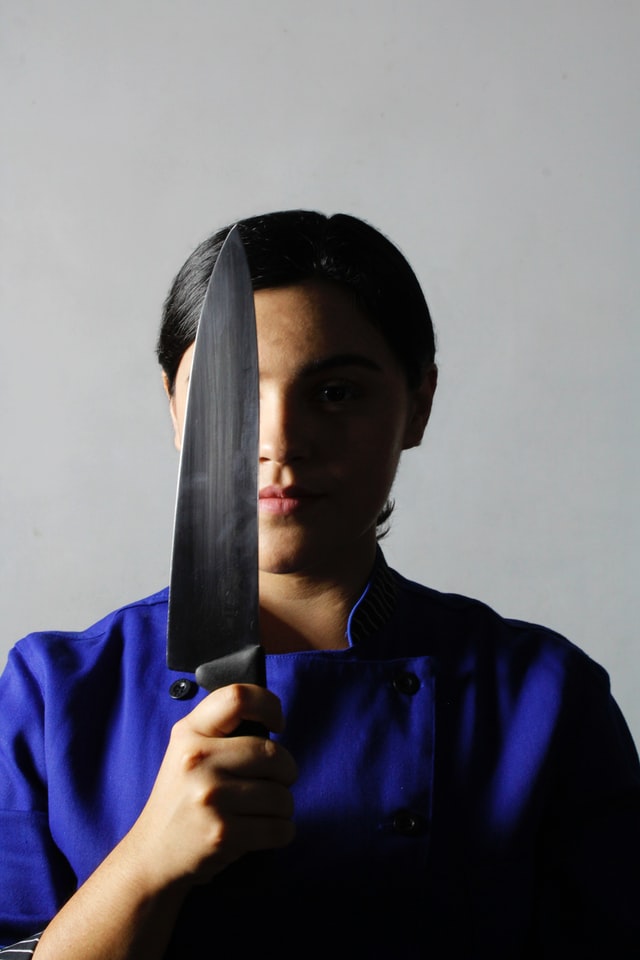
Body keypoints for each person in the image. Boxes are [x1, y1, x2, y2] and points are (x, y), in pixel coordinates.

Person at [0, 210, 638, 959]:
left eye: (335, 393)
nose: (280, 441)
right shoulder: (54, 695)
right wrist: (144, 865)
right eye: (233, 391)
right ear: (175, 407)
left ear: (419, 404)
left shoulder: (544, 698)